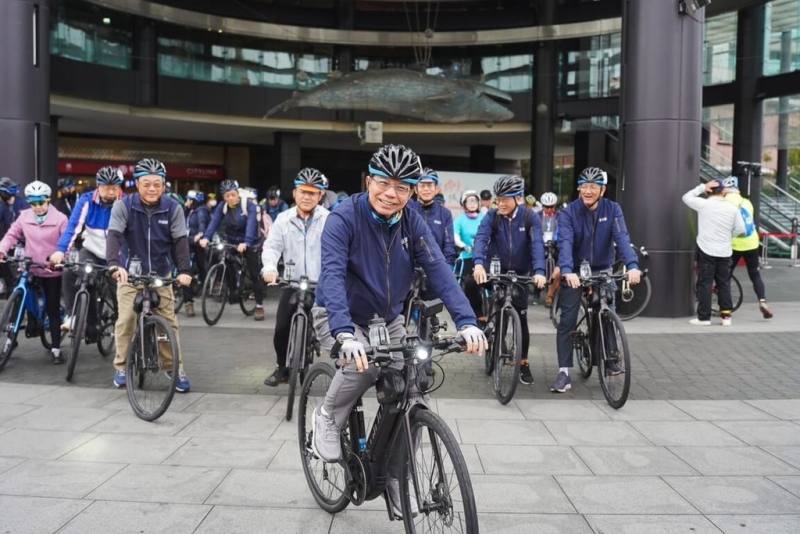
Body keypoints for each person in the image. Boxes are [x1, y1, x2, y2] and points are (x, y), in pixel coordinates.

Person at [310, 144, 487, 516]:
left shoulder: (410, 221)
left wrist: (467, 321)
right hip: (339, 313)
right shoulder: (343, 217)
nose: (392, 194)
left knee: (408, 385)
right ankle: (327, 416)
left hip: (387, 317)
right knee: (363, 366)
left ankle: (391, 474)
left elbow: (438, 269)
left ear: (412, 191)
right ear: (369, 180)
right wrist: (344, 333)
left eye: (403, 187)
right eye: (385, 184)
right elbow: (332, 275)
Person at [106, 158, 193, 391]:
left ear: (164, 185)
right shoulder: (123, 206)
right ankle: (122, 367)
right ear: (137, 184)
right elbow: (114, 235)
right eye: (146, 183)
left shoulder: (173, 208)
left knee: (169, 323)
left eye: (157, 183)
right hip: (129, 274)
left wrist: (184, 271)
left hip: (161, 274)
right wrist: (114, 265)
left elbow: (180, 241)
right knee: (125, 320)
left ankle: (173, 367)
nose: (152, 188)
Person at [552, 167, 641, 392]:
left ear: (602, 190)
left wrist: (632, 265)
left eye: (594, 186)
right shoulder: (569, 212)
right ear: (579, 188)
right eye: (584, 186)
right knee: (568, 320)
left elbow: (622, 238)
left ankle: (611, 358)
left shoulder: (613, 209)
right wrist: (566, 269)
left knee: (607, 311)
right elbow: (565, 242)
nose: (588, 191)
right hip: (574, 271)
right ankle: (564, 372)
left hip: (602, 268)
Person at [472, 175, 547, 385]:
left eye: (506, 198)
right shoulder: (492, 216)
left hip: (522, 272)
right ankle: (486, 325)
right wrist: (478, 263)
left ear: (518, 198)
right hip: (497, 269)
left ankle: (523, 362)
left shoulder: (530, 217)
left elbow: (537, 245)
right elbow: (481, 238)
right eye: (499, 198)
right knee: (475, 289)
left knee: (521, 319)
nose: (501, 203)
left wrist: (540, 271)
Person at [261, 167, 330, 386]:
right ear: (294, 193)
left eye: (313, 192)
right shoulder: (283, 219)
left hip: (321, 285)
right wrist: (270, 268)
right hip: (292, 282)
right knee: (281, 329)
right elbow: (272, 247)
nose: (307, 196)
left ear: (320, 195)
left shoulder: (329, 219)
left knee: (333, 330)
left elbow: (338, 251)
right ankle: (282, 367)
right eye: (303, 191)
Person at [0, 181, 68, 363]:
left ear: (48, 200)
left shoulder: (60, 218)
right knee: (18, 296)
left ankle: (55, 349)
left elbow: (66, 243)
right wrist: (2, 249)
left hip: (51, 269)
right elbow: (11, 235)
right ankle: (10, 341)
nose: (37, 207)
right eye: (33, 203)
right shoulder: (24, 217)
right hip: (31, 265)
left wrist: (60, 258)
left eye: (41, 202)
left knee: (52, 308)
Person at [50, 166, 124, 332]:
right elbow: (73, 226)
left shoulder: (125, 203)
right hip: (92, 251)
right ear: (98, 186)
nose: (111, 191)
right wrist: (60, 250)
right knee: (71, 272)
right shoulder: (86, 200)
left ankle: (123, 327)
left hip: (117, 256)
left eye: (114, 187)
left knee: (120, 296)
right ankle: (73, 316)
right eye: (106, 187)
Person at [199, 179, 267, 321]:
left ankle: (259, 305)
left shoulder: (249, 205)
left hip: (250, 241)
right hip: (232, 240)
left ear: (238, 194)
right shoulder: (222, 206)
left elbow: (251, 224)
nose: (230, 198)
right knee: (224, 259)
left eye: (232, 195)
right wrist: (206, 237)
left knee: (255, 274)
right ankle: (233, 290)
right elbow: (214, 222)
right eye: (226, 196)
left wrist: (247, 242)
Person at [683, 179, 745, 327]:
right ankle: (726, 317)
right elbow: (741, 230)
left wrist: (702, 187)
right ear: (723, 192)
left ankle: (704, 318)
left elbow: (686, 197)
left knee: (705, 283)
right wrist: (729, 236)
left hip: (706, 249)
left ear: (709, 192)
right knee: (724, 283)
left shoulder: (704, 205)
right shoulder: (732, 208)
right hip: (725, 250)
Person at [723, 176, 773, 319]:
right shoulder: (747, 202)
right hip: (751, 242)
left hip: (734, 244)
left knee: (725, 275)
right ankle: (762, 301)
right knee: (754, 274)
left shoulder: (724, 202)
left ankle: (725, 305)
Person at [408, 168, 456, 265]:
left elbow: (448, 244)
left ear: (436, 189)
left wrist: (447, 266)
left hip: (436, 265)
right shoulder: (409, 209)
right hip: (411, 266)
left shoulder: (445, 213)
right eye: (422, 185)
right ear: (416, 189)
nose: (426, 189)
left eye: (430, 185)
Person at [452, 189, 485, 318]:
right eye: (469, 202)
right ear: (464, 204)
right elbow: (455, 236)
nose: (472, 204)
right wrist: (463, 245)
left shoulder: (485, 217)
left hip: (483, 256)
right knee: (469, 283)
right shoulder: (459, 220)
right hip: (468, 255)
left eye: (474, 201)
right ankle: (475, 313)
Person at [182, 189, 210, 317]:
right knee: (186, 271)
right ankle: (189, 303)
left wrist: (198, 236)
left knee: (201, 267)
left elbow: (202, 225)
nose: (186, 201)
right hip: (186, 244)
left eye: (188, 199)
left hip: (196, 245)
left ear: (194, 201)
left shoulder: (201, 211)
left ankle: (205, 285)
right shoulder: (188, 211)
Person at [537, 191, 561, 307]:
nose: (549, 209)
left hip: (555, 244)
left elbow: (561, 229)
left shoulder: (560, 216)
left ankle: (550, 295)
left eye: (551, 207)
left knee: (558, 268)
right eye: (547, 207)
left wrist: (556, 239)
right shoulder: (537, 216)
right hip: (540, 243)